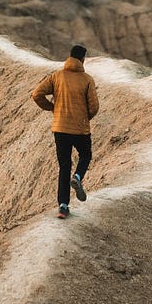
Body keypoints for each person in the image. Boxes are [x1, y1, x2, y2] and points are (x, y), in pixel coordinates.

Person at [31, 44, 99, 218]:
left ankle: (63, 206)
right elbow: (94, 107)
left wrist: (53, 108)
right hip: (80, 128)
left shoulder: (56, 76)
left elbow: (36, 94)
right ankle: (77, 177)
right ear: (83, 59)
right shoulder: (87, 79)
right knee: (86, 155)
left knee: (64, 165)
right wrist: (84, 118)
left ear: (69, 57)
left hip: (60, 128)